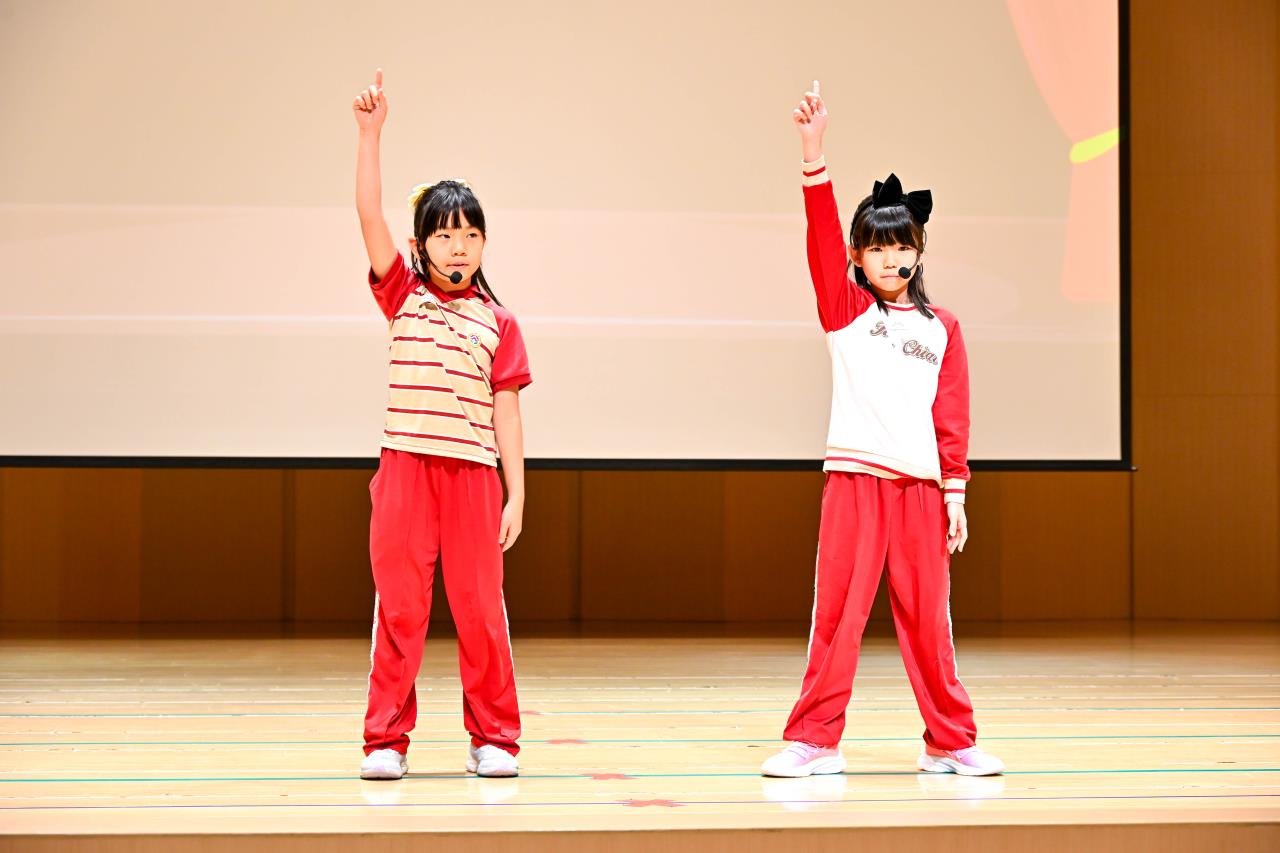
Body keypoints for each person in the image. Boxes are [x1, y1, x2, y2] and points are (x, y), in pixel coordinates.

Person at [761, 81, 1004, 779]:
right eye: (879, 248)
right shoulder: (845, 312)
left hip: (921, 493)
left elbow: (950, 417)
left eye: (905, 247)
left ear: (919, 253)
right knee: (837, 615)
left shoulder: (942, 327)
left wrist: (955, 493)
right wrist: (813, 154)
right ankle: (814, 740)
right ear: (857, 255)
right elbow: (817, 236)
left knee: (930, 622)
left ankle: (950, 741)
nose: (894, 259)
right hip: (855, 483)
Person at [352, 69, 531, 780]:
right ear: (420, 244)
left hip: (474, 479)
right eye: (445, 234)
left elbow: (507, 410)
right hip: (404, 472)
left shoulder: (500, 321)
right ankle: (385, 741)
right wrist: (371, 135)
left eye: (471, 234)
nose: (458, 246)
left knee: (481, 611)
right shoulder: (402, 294)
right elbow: (368, 214)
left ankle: (494, 738)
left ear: (485, 245)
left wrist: (517, 493)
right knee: (400, 611)